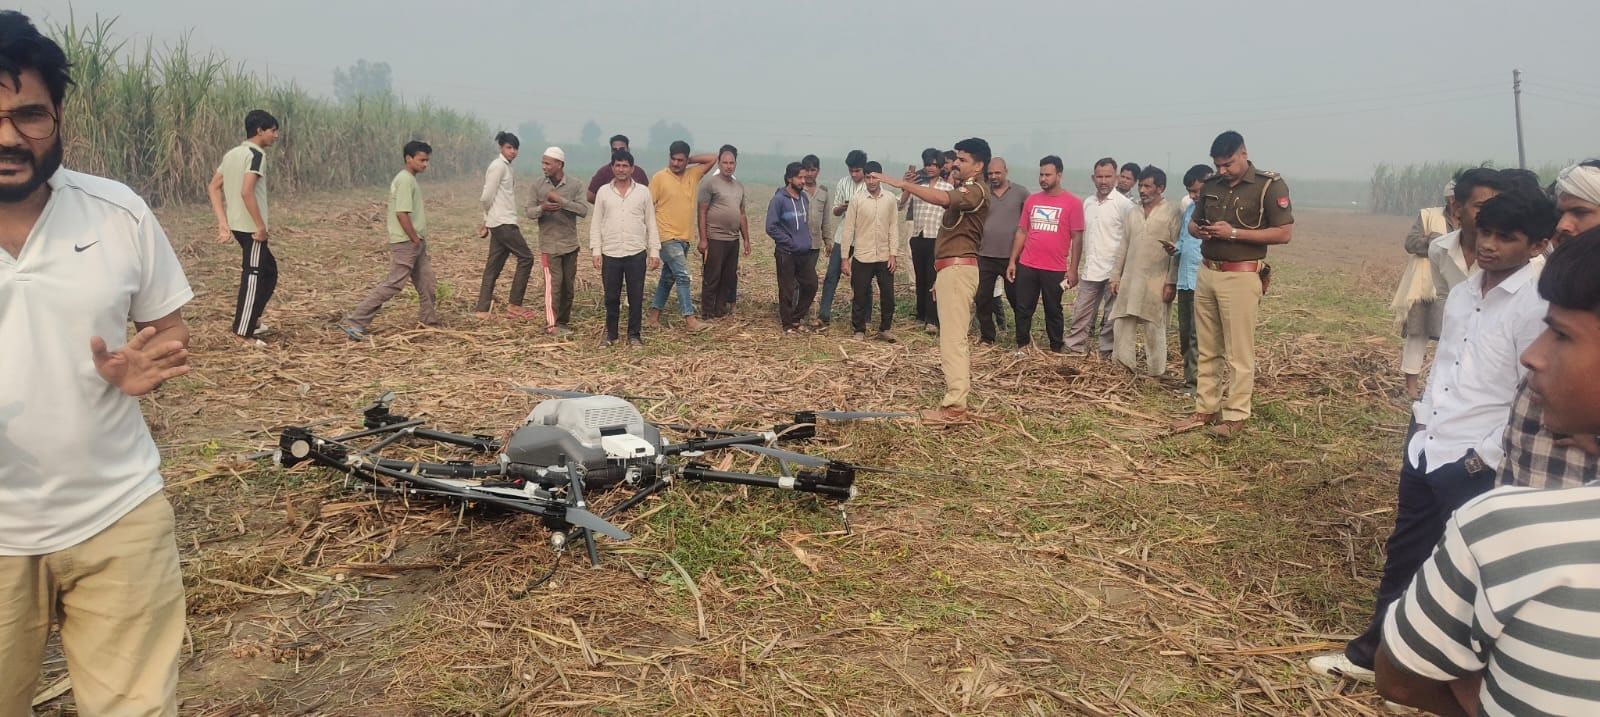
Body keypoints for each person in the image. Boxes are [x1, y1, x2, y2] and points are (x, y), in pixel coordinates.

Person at [0, 13, 194, 713]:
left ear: (58, 115)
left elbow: (168, 330)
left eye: (29, 116)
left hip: (119, 518)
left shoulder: (118, 214)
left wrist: (145, 366)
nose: (8, 138)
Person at [1308, 189, 1554, 686]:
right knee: (1404, 556)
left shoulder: (1537, 306)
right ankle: (1372, 656)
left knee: (1460, 576)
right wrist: (1419, 424)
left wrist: (1480, 459)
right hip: (1428, 446)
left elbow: (1531, 397)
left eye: (1507, 238)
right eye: (1485, 232)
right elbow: (1447, 366)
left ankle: (1441, 679)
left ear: (1537, 246)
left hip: (1475, 462)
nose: (1488, 245)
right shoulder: (1463, 293)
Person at [1376, 232, 1600, 717]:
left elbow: (1401, 678)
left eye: (1561, 335)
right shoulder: (1461, 293)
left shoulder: (1507, 529)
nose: (1534, 356)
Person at [1171, 131, 1293, 437]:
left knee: (1239, 351)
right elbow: (1193, 223)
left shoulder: (1268, 185)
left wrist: (1235, 234)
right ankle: (1205, 409)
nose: (1223, 170)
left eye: (1227, 164)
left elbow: (1283, 233)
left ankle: (1235, 415)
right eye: (1218, 165)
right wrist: (1199, 231)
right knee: (1208, 347)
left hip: (1241, 275)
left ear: (1243, 154)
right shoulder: (1211, 184)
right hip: (1208, 272)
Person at [1496, 160, 1600, 490]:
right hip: (1529, 458)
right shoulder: (1555, 273)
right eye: (1562, 213)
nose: (1564, 226)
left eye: (1580, 213)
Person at [874, 138, 991, 423]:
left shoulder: (976, 191)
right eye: (956, 159)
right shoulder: (965, 188)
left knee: (953, 340)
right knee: (952, 338)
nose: (955, 164)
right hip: (951, 269)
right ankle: (956, 401)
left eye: (962, 160)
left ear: (979, 165)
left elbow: (941, 199)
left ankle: (954, 407)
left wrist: (901, 184)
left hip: (959, 269)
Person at [340, 141, 440, 339]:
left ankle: (429, 321)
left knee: (427, 282)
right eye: (422, 160)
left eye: (427, 160)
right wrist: (414, 239)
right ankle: (356, 321)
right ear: (408, 159)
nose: (425, 164)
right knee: (394, 283)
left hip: (415, 241)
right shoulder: (404, 180)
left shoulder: (409, 179)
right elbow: (401, 213)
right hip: (407, 242)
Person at [208, 109, 279, 347]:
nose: (276, 136)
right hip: (251, 228)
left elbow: (213, 187)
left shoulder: (232, 154)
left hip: (239, 226)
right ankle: (243, 333)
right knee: (253, 277)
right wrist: (260, 226)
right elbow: (247, 191)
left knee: (269, 272)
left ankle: (253, 319)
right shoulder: (256, 155)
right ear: (260, 131)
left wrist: (223, 223)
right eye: (273, 130)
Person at [1108, 166, 1181, 377]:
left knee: (1154, 328)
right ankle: (1123, 370)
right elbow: (1123, 245)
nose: (1142, 190)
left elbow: (1178, 249)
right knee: (1122, 324)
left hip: (1156, 281)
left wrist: (1171, 282)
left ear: (1161, 188)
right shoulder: (1133, 211)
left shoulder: (1173, 212)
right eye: (1140, 185)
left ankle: (1155, 374)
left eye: (1147, 186)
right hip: (1130, 279)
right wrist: (1115, 276)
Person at [1007, 155, 1084, 353]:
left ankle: (1056, 348)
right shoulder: (1032, 200)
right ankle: (1022, 346)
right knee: (1023, 308)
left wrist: (1073, 269)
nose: (1043, 179)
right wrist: (1013, 261)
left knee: (1053, 310)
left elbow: (1077, 238)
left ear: (1059, 175)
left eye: (1048, 175)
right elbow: (1022, 231)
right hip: (1028, 265)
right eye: (1041, 174)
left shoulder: (1073, 203)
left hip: (1055, 268)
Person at [1392, 181, 1458, 398]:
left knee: (1453, 339)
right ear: (1449, 199)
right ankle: (1411, 388)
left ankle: (1442, 387)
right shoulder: (1428, 215)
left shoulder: (1472, 222)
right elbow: (1411, 244)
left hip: (1456, 287)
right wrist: (1435, 242)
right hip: (1424, 286)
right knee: (1417, 335)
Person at [590, 149, 661, 347]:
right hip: (610, 252)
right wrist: (596, 250)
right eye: (618, 165)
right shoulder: (604, 192)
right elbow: (596, 223)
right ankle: (611, 335)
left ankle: (634, 335)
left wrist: (654, 251)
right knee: (611, 297)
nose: (621, 169)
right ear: (612, 167)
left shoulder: (643, 192)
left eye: (625, 166)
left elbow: (651, 223)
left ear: (632, 168)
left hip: (635, 252)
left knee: (636, 296)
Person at [1066, 158, 1133, 357]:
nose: (1103, 181)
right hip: (1091, 268)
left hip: (1114, 270)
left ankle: (1106, 352)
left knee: (1112, 315)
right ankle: (1074, 348)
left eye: (1108, 176)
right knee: (1082, 312)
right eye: (1099, 176)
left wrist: (1122, 272)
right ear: (1093, 178)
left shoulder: (1125, 205)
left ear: (1116, 177)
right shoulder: (1088, 203)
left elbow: (1129, 239)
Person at [647, 140, 715, 332]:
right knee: (683, 276)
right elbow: (647, 207)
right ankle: (690, 319)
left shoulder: (693, 174)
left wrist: (691, 160)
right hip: (666, 237)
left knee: (668, 279)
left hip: (684, 238)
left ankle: (653, 317)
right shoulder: (659, 178)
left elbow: (713, 158)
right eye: (673, 159)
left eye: (680, 160)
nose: (676, 163)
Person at [473, 131, 537, 321]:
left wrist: (487, 220)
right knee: (526, 258)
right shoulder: (498, 166)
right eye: (509, 147)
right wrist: (488, 218)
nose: (513, 152)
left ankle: (482, 309)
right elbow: (486, 196)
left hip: (499, 221)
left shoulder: (507, 167)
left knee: (493, 266)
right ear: (501, 147)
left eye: (515, 148)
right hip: (503, 222)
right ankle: (514, 305)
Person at [526, 146, 588, 337]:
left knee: (568, 288)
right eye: (543, 162)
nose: (543, 166)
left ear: (559, 164)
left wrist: (561, 201)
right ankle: (552, 325)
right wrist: (543, 208)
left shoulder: (575, 185)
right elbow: (528, 211)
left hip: (570, 244)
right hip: (549, 245)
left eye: (547, 163)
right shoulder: (537, 185)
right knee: (553, 286)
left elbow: (583, 210)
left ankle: (563, 322)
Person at [839, 161, 903, 342]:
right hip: (862, 255)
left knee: (888, 295)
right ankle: (859, 329)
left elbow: (893, 227)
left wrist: (893, 254)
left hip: (884, 256)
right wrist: (845, 258)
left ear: (881, 177)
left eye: (875, 177)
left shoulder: (890, 199)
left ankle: (885, 329)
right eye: (868, 177)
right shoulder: (857, 200)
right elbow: (848, 229)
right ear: (864, 179)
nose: (871, 181)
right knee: (860, 294)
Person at [976, 157, 1026, 345]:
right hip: (984, 255)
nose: (994, 177)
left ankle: (1022, 339)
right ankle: (987, 337)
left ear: (1006, 171)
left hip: (1010, 258)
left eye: (997, 173)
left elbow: (1027, 222)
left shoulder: (1021, 193)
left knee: (1016, 299)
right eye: (990, 174)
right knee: (983, 298)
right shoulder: (982, 192)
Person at [903, 148, 954, 332]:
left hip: (937, 238)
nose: (930, 168)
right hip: (918, 236)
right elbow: (902, 204)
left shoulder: (947, 188)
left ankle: (933, 319)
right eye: (927, 164)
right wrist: (907, 186)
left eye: (934, 164)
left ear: (940, 167)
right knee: (920, 277)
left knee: (934, 279)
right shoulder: (918, 186)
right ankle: (921, 314)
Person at [1172, 165, 1211, 394]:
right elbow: (1186, 243)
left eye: (1196, 191)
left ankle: (1196, 385)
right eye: (1190, 192)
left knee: (1199, 336)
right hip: (1184, 282)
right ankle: (1189, 379)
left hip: (1202, 283)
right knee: (1185, 334)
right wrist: (1175, 248)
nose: (1194, 196)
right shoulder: (1189, 211)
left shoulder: (1217, 213)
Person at [698, 145, 749, 319]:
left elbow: (742, 214)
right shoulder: (709, 184)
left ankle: (720, 309)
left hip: (733, 239)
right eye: (725, 162)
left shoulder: (739, 186)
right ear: (719, 163)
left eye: (731, 163)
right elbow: (702, 211)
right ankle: (707, 311)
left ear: (735, 164)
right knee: (712, 276)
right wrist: (703, 239)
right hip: (715, 238)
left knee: (728, 276)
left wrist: (746, 240)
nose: (728, 166)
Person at [767, 162, 816, 333]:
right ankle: (788, 324)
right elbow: (771, 227)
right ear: (790, 178)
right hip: (786, 253)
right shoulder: (779, 200)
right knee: (787, 289)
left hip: (803, 253)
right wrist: (790, 242)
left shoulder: (803, 198)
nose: (804, 180)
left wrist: (805, 241)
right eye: (800, 177)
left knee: (811, 285)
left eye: (805, 177)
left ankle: (796, 317)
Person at [820, 149, 868, 326]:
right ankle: (823, 314)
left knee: (862, 281)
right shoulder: (843, 183)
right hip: (843, 236)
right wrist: (844, 207)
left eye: (857, 171)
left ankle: (865, 318)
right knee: (832, 275)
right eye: (851, 171)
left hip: (864, 238)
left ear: (864, 169)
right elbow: (834, 210)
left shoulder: (870, 184)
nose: (854, 174)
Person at [802, 154, 834, 326]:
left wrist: (828, 241)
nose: (809, 173)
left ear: (818, 171)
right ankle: (795, 313)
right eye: (806, 169)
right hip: (798, 244)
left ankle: (804, 310)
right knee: (795, 280)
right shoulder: (797, 189)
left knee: (808, 280)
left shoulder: (823, 192)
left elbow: (826, 220)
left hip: (814, 245)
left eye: (812, 170)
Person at [587, 134, 648, 203]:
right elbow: (590, 196)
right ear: (611, 151)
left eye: (622, 149)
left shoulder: (639, 172)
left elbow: (647, 196)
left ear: (628, 149)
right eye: (614, 149)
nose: (618, 151)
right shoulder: (603, 172)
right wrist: (608, 204)